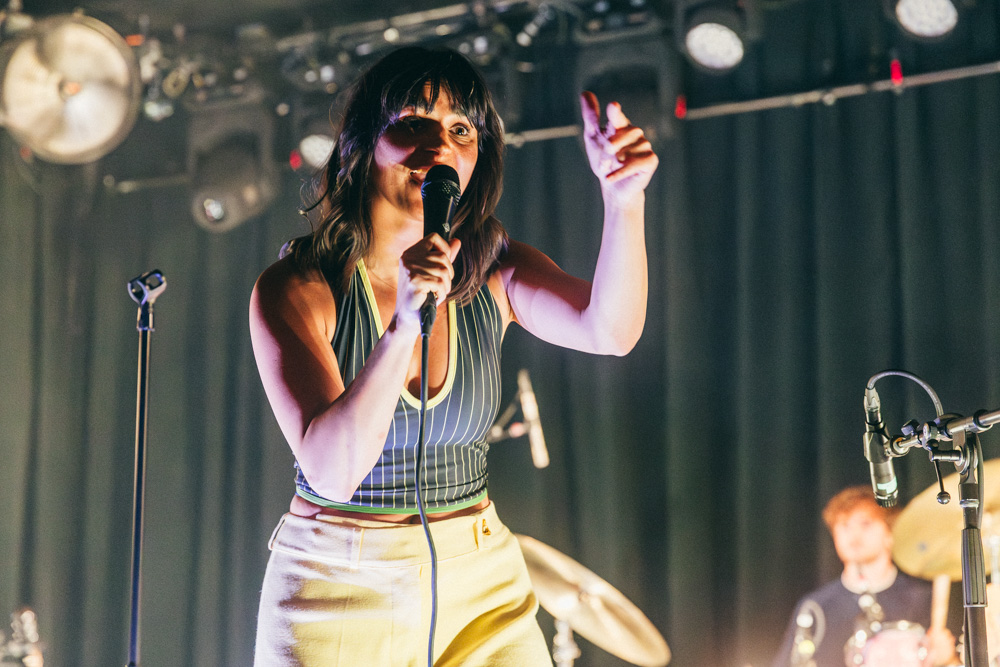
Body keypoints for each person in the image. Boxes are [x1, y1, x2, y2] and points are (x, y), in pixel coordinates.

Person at [248, 45, 657, 666]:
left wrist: (624, 202)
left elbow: (610, 330)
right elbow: (332, 473)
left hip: (479, 572)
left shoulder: (493, 269)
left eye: (460, 130)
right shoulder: (301, 287)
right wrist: (401, 332)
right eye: (412, 122)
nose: (438, 147)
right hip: (339, 579)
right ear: (364, 145)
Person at [772, 485, 959, 667]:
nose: (854, 534)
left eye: (865, 524)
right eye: (844, 525)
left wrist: (949, 661)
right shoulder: (815, 607)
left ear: (890, 533)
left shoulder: (922, 600)